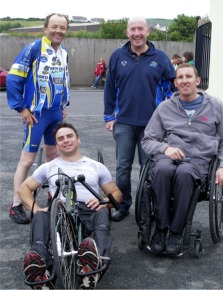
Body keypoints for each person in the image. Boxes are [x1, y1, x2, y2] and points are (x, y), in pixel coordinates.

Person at [141, 63, 223, 255]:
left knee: (184, 173)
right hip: (168, 158)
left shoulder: (214, 106)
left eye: (188, 77)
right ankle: (161, 228)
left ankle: (176, 231)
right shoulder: (165, 108)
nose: (184, 81)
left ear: (197, 81)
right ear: (175, 83)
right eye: (180, 78)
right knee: (162, 170)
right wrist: (165, 147)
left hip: (198, 161)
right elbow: (148, 140)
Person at [19, 122, 122, 289]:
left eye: (69, 136)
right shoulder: (49, 167)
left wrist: (103, 201)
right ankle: (40, 272)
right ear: (57, 144)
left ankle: (92, 268)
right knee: (39, 217)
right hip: (60, 211)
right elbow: (24, 188)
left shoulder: (95, 166)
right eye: (61, 138)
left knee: (102, 213)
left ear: (78, 139)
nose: (66, 140)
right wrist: (36, 208)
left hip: (90, 209)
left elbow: (116, 194)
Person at [103, 16, 175, 221]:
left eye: (140, 29)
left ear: (148, 31)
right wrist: (109, 115)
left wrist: (168, 116)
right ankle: (123, 205)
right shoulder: (117, 56)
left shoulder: (160, 57)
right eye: (133, 29)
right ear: (127, 32)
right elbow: (109, 87)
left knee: (148, 170)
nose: (137, 33)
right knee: (122, 169)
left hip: (152, 126)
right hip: (123, 122)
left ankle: (145, 207)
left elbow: (170, 88)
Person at [6, 13, 71, 224]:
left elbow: (62, 81)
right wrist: (21, 108)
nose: (58, 31)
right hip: (35, 114)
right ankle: (16, 204)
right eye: (54, 27)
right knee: (28, 159)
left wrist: (62, 105)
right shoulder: (33, 48)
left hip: (55, 113)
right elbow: (14, 78)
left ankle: (53, 195)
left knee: (54, 156)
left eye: (62, 27)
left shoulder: (63, 52)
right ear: (45, 28)